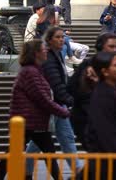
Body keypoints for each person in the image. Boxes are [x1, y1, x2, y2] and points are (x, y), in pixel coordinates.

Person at [0, 40, 70, 180]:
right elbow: (43, 99)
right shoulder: (30, 72)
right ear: (36, 53)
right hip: (29, 122)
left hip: (32, 122)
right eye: (43, 49)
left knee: (43, 154)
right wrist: (63, 111)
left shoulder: (33, 71)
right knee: (48, 155)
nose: (46, 51)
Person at [25, 27, 84, 176]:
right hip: (51, 107)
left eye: (62, 37)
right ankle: (24, 172)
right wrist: (71, 101)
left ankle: (78, 172)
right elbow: (56, 85)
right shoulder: (49, 58)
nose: (61, 40)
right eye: (58, 37)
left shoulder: (56, 55)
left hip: (56, 106)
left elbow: (61, 83)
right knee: (40, 144)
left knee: (65, 140)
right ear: (49, 40)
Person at [68, 32, 116, 152]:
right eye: (111, 46)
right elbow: (72, 88)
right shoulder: (89, 66)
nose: (115, 50)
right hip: (88, 121)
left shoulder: (113, 67)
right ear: (100, 47)